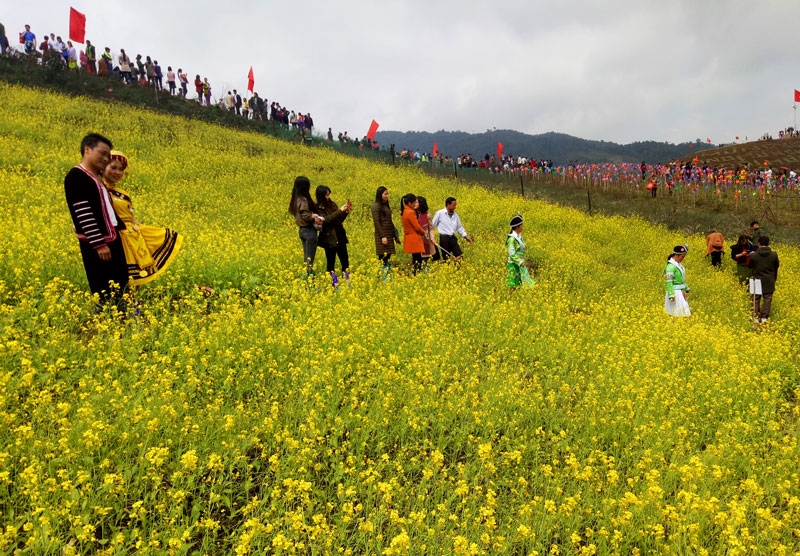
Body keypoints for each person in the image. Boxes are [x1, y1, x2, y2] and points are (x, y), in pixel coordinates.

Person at [64, 133, 129, 306]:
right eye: (103, 153)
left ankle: (123, 317)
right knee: (103, 284)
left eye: (108, 155)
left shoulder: (97, 179)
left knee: (120, 281)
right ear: (87, 149)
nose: (106, 158)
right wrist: (99, 244)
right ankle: (107, 319)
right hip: (99, 243)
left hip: (112, 237)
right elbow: (83, 213)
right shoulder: (77, 176)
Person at [102, 151, 183, 286]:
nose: (117, 172)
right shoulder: (98, 189)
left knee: (138, 273)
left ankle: (132, 304)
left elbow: (131, 216)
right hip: (116, 236)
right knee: (121, 275)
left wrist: (138, 227)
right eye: (113, 167)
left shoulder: (123, 194)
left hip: (133, 237)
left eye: (121, 169)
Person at [314, 185, 352, 288]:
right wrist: (340, 210)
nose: (328, 196)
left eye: (329, 194)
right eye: (327, 195)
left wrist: (345, 213)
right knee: (331, 263)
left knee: (345, 262)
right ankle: (334, 285)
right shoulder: (318, 207)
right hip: (329, 238)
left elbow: (338, 220)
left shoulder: (332, 204)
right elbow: (326, 220)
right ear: (321, 195)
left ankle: (348, 283)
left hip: (340, 235)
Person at [288, 176, 323, 276]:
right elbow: (306, 215)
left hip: (302, 231)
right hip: (309, 231)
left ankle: (307, 277)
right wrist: (313, 216)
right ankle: (309, 278)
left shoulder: (295, 199)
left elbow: (296, 213)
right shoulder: (303, 200)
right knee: (310, 259)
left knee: (307, 257)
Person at [432, 196, 473, 262]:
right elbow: (432, 226)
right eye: (454, 205)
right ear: (448, 204)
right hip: (444, 239)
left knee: (460, 256)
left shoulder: (455, 216)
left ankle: (458, 270)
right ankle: (447, 270)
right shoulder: (439, 213)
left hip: (453, 239)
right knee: (446, 259)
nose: (455, 207)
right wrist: (431, 238)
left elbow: (459, 228)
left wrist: (466, 237)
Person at [748, 236, 779, 323]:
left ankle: (755, 316)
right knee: (767, 298)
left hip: (756, 279)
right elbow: (776, 266)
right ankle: (764, 317)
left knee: (756, 298)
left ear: (759, 244)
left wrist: (751, 256)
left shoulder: (754, 255)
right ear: (768, 243)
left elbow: (749, 266)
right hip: (769, 279)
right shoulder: (774, 255)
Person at [372, 186, 400, 281]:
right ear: (380, 195)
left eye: (387, 193)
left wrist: (395, 235)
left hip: (389, 234)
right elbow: (376, 222)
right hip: (382, 235)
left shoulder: (385, 205)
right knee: (382, 256)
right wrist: (382, 236)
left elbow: (390, 221)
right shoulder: (376, 206)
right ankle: (383, 278)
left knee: (388, 256)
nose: (387, 196)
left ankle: (388, 277)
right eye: (385, 194)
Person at [506, 214, 535, 289]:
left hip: (519, 263)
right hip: (514, 264)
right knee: (513, 284)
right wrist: (520, 262)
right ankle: (510, 298)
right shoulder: (512, 239)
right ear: (517, 227)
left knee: (520, 284)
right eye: (521, 225)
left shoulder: (518, 236)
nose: (522, 227)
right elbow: (512, 254)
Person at [401, 194, 426, 275]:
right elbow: (417, 226)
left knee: (415, 257)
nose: (415, 204)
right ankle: (417, 274)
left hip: (409, 237)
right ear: (409, 203)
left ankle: (415, 273)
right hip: (414, 238)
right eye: (414, 202)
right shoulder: (411, 212)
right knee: (418, 258)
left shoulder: (405, 211)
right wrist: (423, 232)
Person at [665, 245, 691, 317]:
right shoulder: (670, 267)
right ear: (676, 255)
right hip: (675, 293)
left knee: (683, 312)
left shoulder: (678, 265)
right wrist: (671, 295)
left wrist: (686, 287)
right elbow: (669, 282)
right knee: (678, 313)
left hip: (681, 292)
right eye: (682, 257)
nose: (682, 259)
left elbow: (681, 280)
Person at [416, 196, 437, 264]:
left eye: (416, 202)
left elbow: (431, 228)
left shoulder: (427, 215)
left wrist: (433, 238)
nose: (414, 203)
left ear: (421, 203)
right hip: (416, 240)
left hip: (425, 240)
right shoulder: (413, 214)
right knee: (416, 260)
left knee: (425, 260)